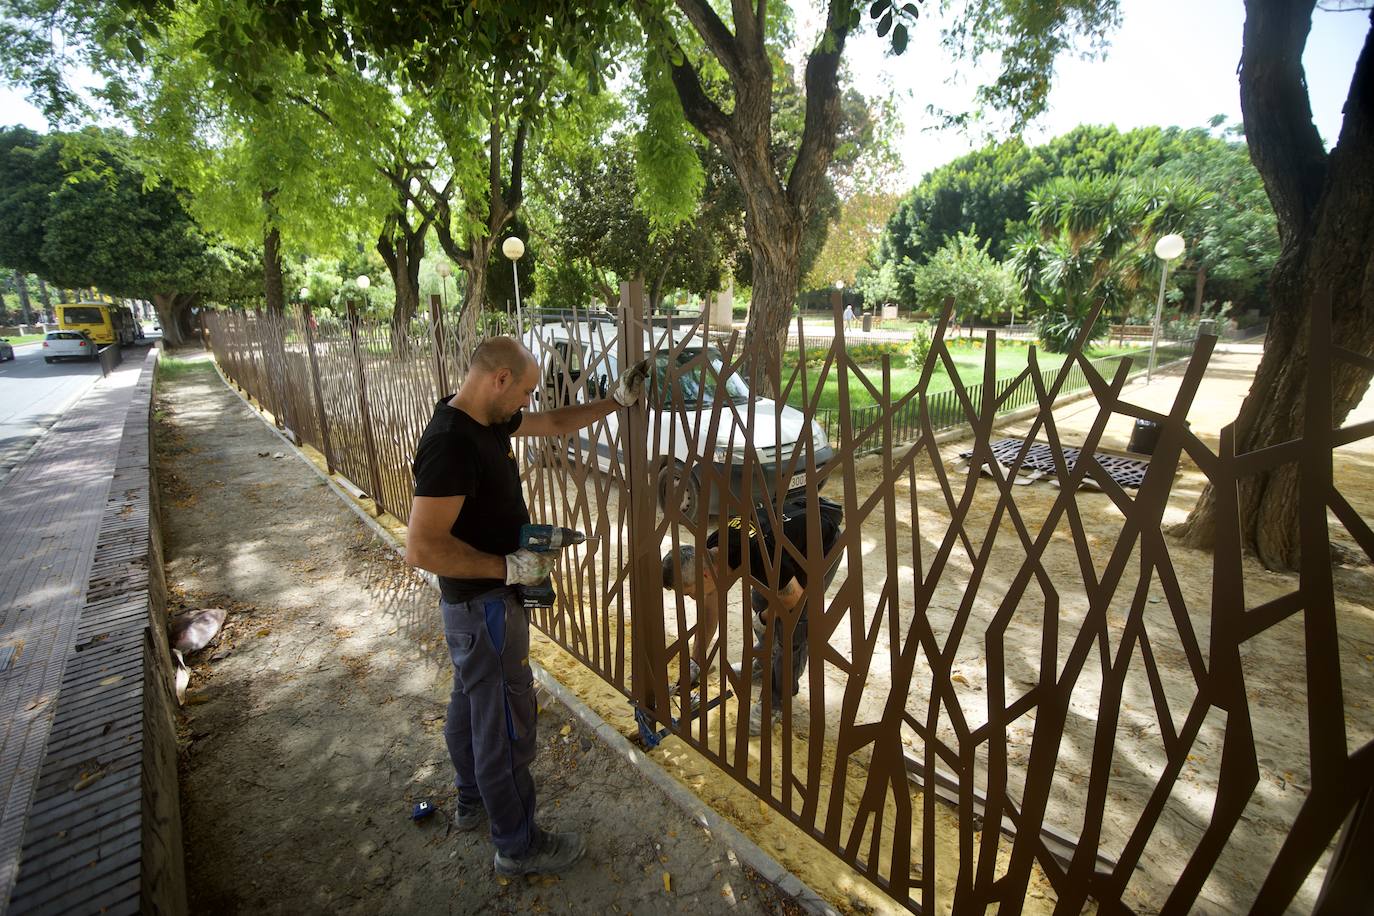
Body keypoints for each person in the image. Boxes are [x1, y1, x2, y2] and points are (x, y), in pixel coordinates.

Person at [405, 336, 648, 877]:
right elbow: (422, 547)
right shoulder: (452, 443)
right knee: (506, 727)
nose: (527, 404)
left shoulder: (483, 418)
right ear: (499, 380)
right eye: (526, 391)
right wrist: (509, 568)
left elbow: (556, 424)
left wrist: (616, 402)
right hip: (485, 608)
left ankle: (471, 801)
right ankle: (517, 846)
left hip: (476, 610)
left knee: (469, 702)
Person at [660, 495, 843, 736]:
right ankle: (764, 661)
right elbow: (709, 608)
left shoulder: (757, 556)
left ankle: (776, 703)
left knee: (793, 624)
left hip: (819, 544)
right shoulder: (710, 553)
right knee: (759, 596)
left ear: (704, 576)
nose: (689, 598)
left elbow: (794, 599)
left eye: (688, 592)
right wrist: (696, 662)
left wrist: (765, 618)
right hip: (782, 545)